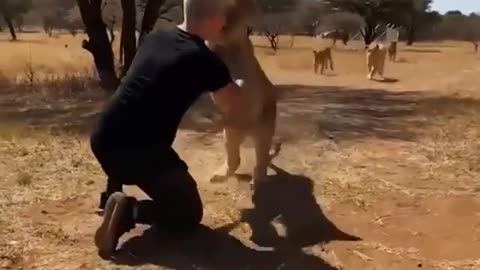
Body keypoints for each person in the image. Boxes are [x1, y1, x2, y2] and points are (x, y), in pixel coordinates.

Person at [90, 0, 243, 257]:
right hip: (139, 154)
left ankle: (111, 193)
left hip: (103, 138)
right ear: (210, 18)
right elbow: (231, 104)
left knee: (135, 118)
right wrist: (237, 82)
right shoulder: (205, 60)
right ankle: (128, 212)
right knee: (188, 213)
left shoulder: (155, 39)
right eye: (222, 18)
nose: (225, 24)